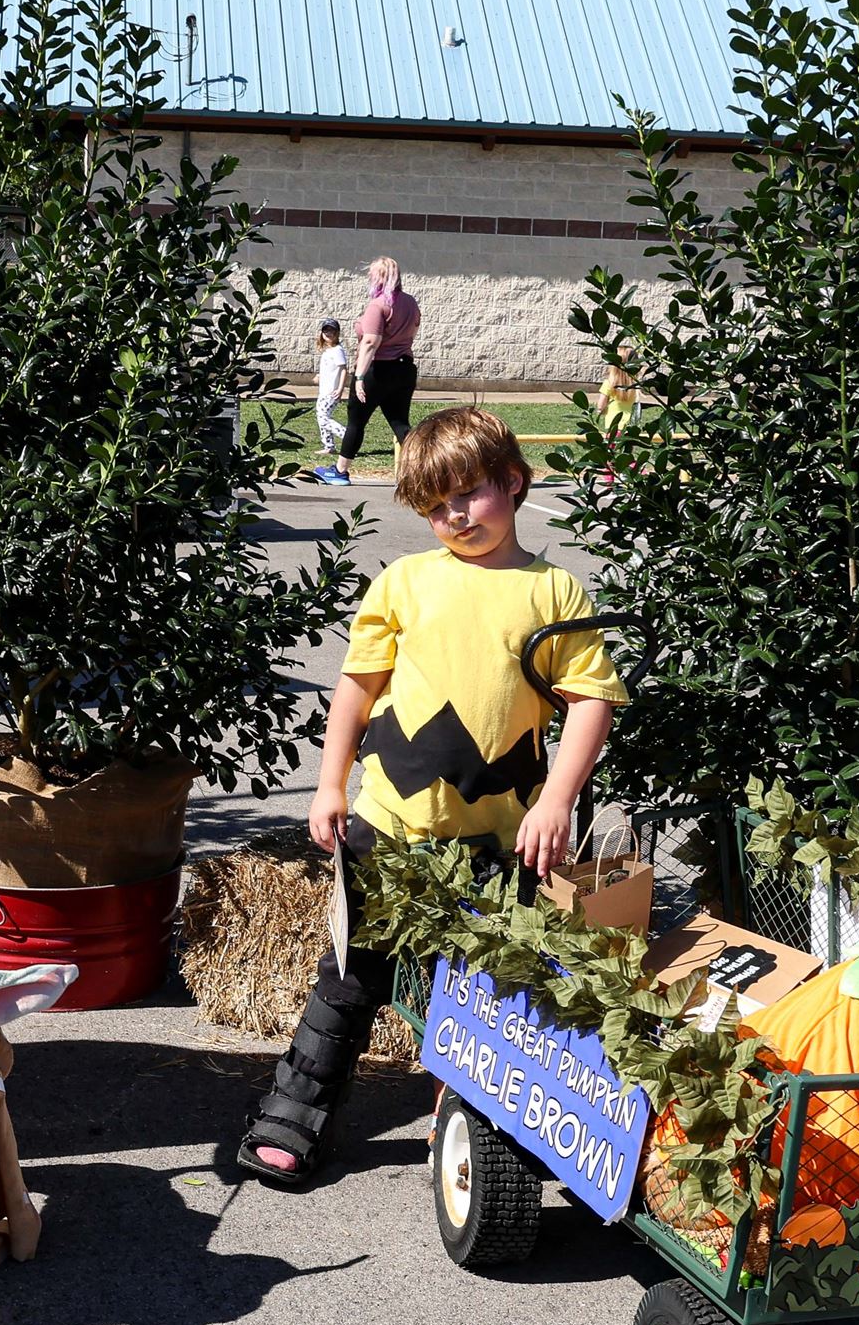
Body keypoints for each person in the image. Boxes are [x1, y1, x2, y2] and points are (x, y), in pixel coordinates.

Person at [238, 406, 628, 1186]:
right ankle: (292, 1117)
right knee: (348, 980)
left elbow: (591, 702)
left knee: (492, 987)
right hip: (389, 826)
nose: (455, 514)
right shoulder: (404, 581)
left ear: (513, 483)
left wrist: (556, 800)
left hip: (499, 837)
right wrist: (328, 783)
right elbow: (356, 690)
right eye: (435, 503)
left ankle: (472, 1118)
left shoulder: (553, 591)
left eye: (471, 494)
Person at [330, 254, 421, 474]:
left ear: (379, 277)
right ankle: (422, 468)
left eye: (372, 274)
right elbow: (413, 332)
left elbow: (370, 342)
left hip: (377, 370)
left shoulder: (378, 305)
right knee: (400, 422)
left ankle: (340, 471)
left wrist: (359, 377)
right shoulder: (410, 302)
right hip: (404, 368)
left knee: (356, 421)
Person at [312, 318, 349, 465]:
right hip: (324, 391)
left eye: (332, 331)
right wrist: (320, 377)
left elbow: (343, 370)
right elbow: (330, 370)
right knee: (321, 416)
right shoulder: (328, 351)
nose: (328, 333)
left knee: (323, 418)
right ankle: (329, 446)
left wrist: (340, 389)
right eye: (325, 330)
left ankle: (347, 436)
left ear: (337, 333)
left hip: (331, 392)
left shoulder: (338, 350)